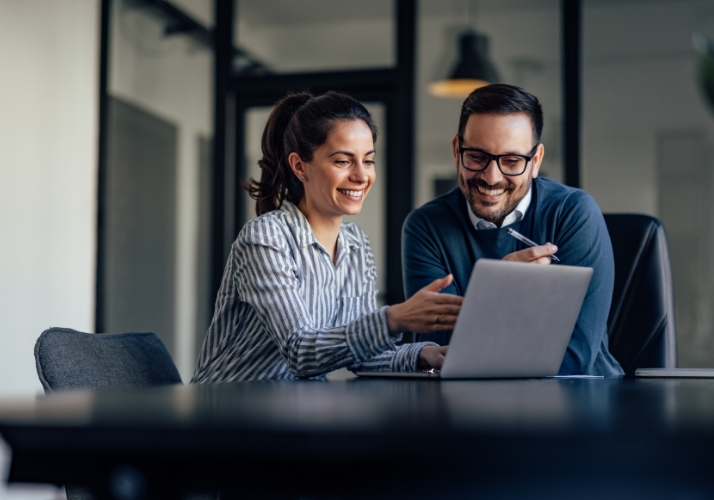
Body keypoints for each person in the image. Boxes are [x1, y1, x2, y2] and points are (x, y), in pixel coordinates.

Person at [192, 91, 462, 383]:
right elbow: (300, 352)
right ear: (299, 166)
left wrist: (425, 355)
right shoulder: (265, 238)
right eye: (343, 161)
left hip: (294, 412)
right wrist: (394, 319)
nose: (362, 176)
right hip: (226, 412)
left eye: (368, 161)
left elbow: (361, 353)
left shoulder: (356, 244)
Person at [402, 84, 624, 376]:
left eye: (511, 161)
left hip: (581, 400)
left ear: (536, 161)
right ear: (457, 150)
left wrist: (484, 320)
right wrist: (500, 292)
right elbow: (444, 353)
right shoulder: (425, 227)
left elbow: (575, 354)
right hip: (470, 407)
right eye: (477, 157)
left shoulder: (574, 213)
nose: (491, 177)